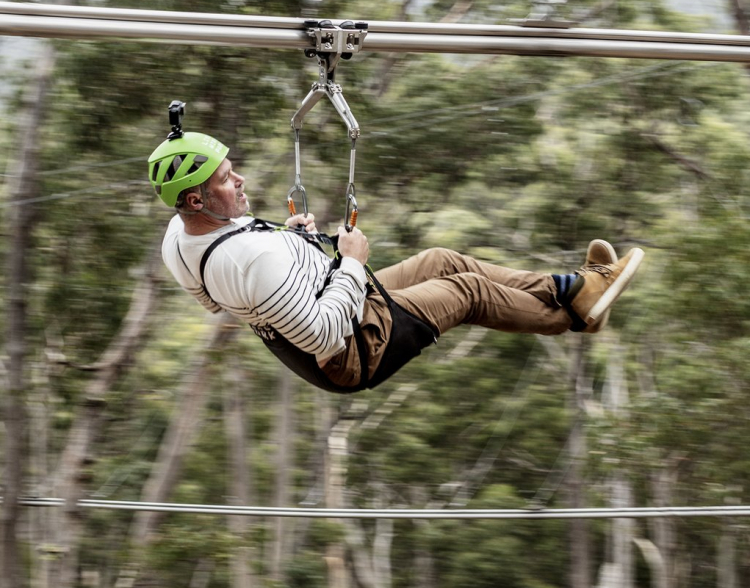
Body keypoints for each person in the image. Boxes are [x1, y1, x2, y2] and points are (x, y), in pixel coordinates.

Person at [148, 123, 643, 393]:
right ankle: (578, 316)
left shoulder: (181, 238)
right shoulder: (250, 260)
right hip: (354, 351)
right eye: (226, 179)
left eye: (233, 171)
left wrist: (294, 242)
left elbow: (219, 298)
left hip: (340, 299)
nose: (240, 181)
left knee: (441, 258)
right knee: (464, 291)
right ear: (196, 200)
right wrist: (352, 262)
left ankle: (574, 288)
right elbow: (322, 335)